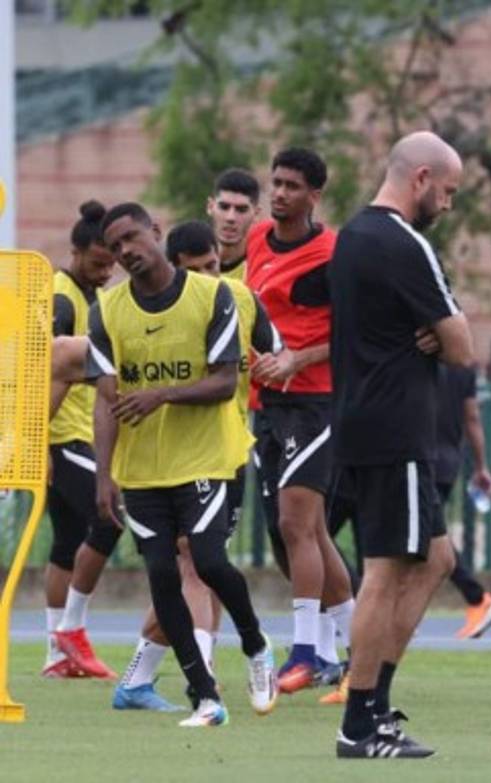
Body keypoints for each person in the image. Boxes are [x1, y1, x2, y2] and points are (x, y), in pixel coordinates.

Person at [86, 202, 276, 727]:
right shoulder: (107, 310)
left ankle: (256, 644)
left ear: (155, 231)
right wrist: (104, 476)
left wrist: (160, 395)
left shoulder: (213, 295)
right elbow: (106, 400)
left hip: (205, 459)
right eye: (115, 246)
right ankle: (206, 696)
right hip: (142, 469)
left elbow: (224, 382)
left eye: (132, 237)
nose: (125, 251)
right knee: (162, 576)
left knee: (209, 563)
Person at [329, 131, 472, 759]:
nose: (448, 204)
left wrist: (429, 330)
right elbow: (462, 346)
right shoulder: (404, 242)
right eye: (448, 191)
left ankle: (375, 704)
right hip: (394, 427)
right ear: (421, 179)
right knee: (385, 572)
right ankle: (360, 722)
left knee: (437, 560)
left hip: (363, 420)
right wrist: (437, 332)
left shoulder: (351, 237)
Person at [246, 148, 355, 695]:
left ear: (315, 195)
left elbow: (355, 333)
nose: (280, 193)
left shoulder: (334, 254)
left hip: (317, 402)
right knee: (304, 531)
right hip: (265, 404)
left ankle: (307, 652)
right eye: (276, 183)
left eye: (292, 185)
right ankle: (360, 650)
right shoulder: (256, 240)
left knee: (296, 524)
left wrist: (298, 359)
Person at [44, 201, 119, 680]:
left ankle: (55, 657)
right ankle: (70, 633)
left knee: (68, 543)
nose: (106, 272)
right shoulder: (62, 299)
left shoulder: (95, 299)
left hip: (80, 434)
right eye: (97, 263)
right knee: (112, 516)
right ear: (75, 253)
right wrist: (35, 446)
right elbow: (39, 370)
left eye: (110, 265)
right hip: (62, 436)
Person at [435, 363, 491, 640]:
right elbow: (472, 417)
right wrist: (480, 465)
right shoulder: (462, 365)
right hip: (447, 461)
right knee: (423, 537)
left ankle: (477, 597)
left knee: (430, 536)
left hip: (422, 459)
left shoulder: (417, 359)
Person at [206, 168, 261, 281]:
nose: (231, 218)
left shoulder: (260, 272)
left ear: (256, 214)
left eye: (241, 210)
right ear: (210, 207)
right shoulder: (187, 264)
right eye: (224, 207)